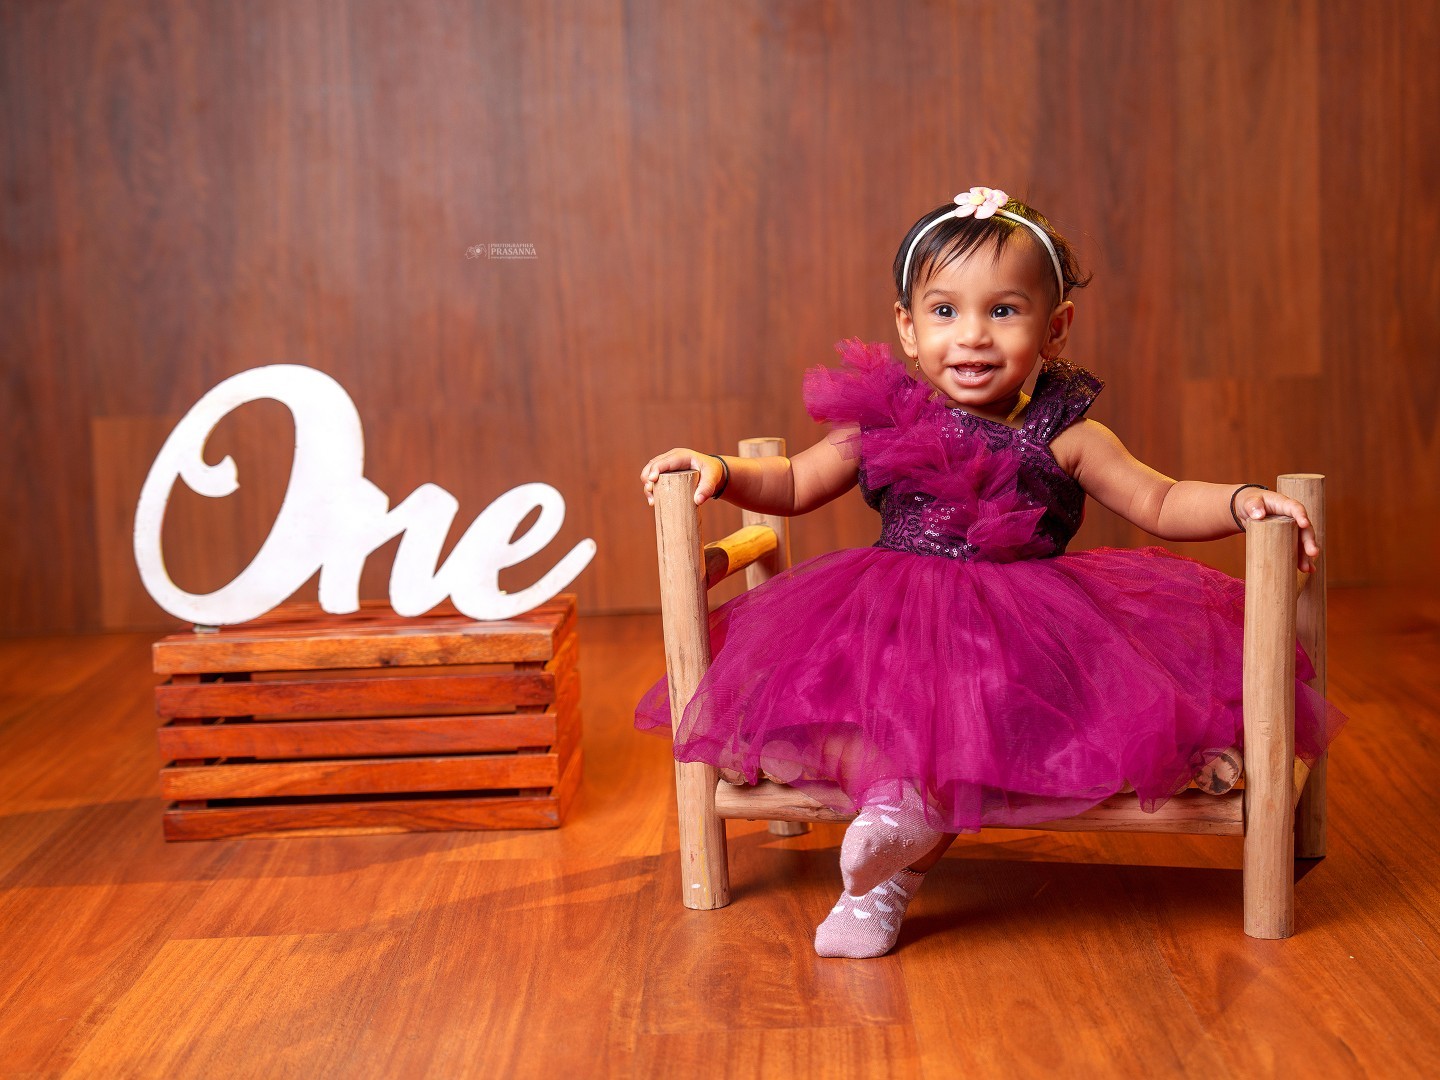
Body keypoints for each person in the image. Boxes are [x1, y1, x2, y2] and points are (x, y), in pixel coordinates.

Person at [634, 186, 1345, 959]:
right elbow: (795, 482)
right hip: (892, 614)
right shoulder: (883, 419)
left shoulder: (1068, 434)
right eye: (944, 311)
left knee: (974, 720)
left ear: (1055, 328)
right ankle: (893, 819)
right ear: (908, 327)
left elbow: (1160, 498)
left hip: (1022, 632)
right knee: (866, 707)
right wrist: (718, 468)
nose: (972, 335)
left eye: (1004, 311)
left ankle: (881, 880)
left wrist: (1239, 500)